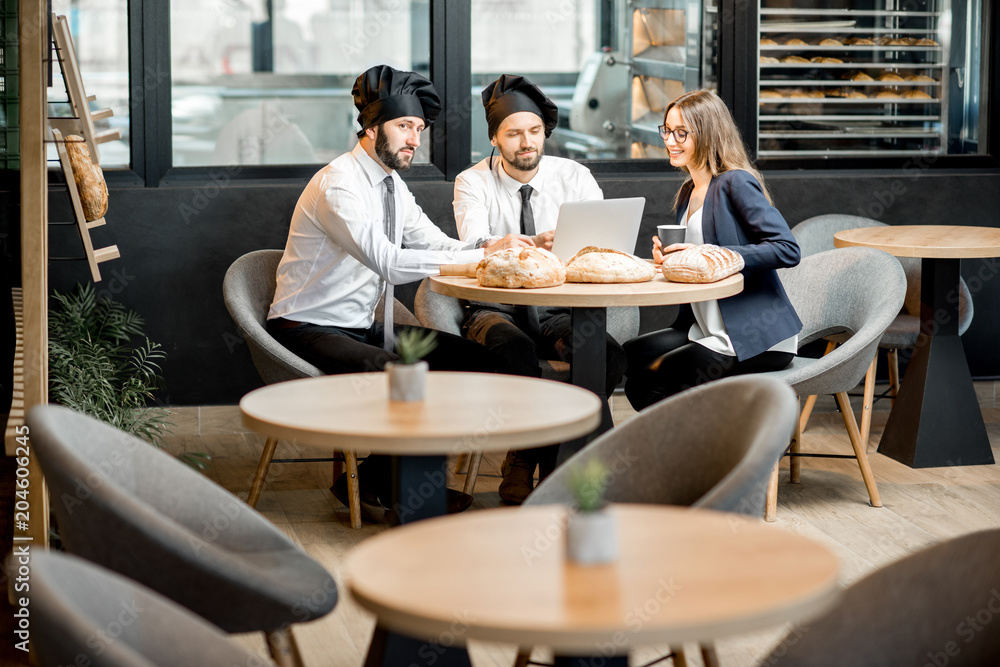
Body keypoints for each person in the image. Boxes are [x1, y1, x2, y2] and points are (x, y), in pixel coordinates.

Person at [267, 65, 528, 520]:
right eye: (404, 126)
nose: (414, 139)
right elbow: (387, 260)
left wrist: (490, 246)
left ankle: (374, 483)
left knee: (472, 359)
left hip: (362, 326)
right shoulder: (340, 185)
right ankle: (406, 492)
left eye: (419, 129)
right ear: (370, 128)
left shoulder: (392, 185)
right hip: (306, 326)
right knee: (408, 378)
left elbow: (433, 242)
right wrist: (477, 263)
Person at [453, 74, 627, 505]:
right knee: (516, 352)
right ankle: (558, 468)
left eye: (533, 131)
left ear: (545, 132)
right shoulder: (472, 182)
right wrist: (531, 244)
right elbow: (475, 243)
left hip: (558, 307)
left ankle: (533, 460)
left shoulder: (576, 176)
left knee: (606, 355)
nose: (525, 142)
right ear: (495, 138)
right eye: (513, 134)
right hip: (493, 306)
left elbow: (604, 242)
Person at [624, 89, 801, 410]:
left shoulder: (735, 183)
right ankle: (688, 447)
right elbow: (699, 260)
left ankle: (698, 453)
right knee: (630, 355)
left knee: (651, 380)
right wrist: (672, 259)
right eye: (667, 130)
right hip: (704, 326)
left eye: (682, 133)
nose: (670, 141)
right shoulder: (688, 191)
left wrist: (730, 256)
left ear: (707, 134)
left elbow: (787, 249)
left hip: (753, 337)